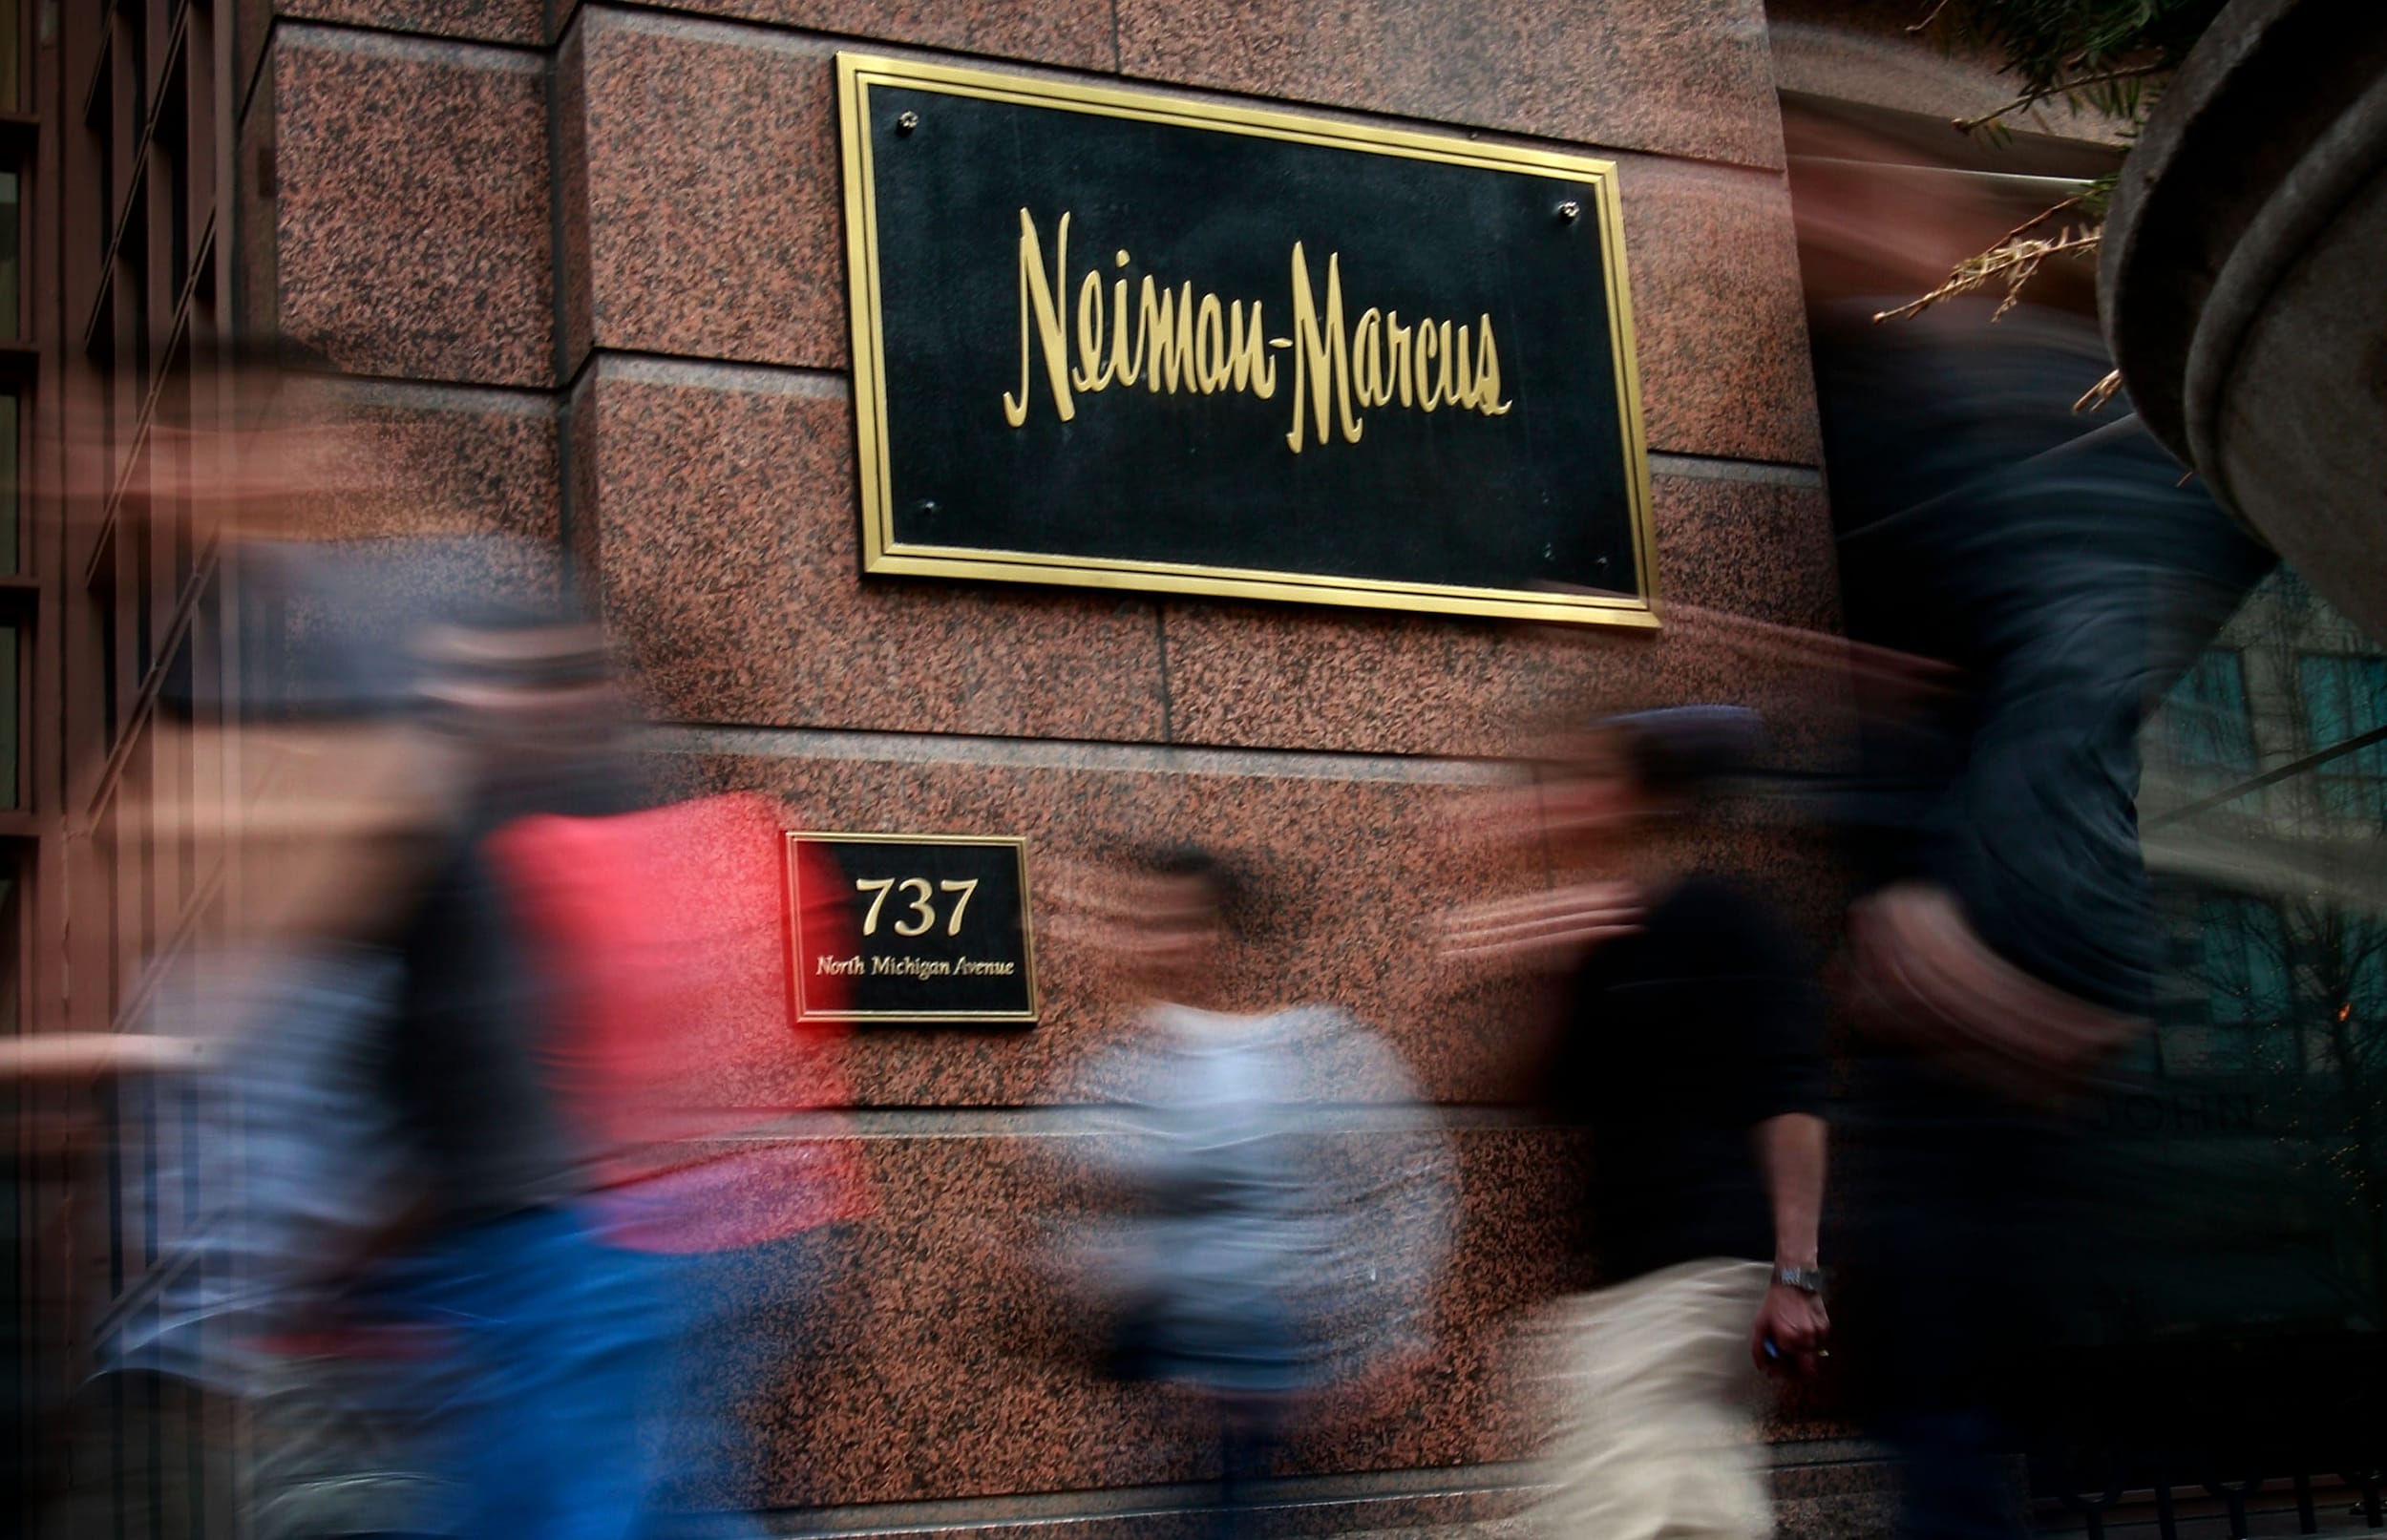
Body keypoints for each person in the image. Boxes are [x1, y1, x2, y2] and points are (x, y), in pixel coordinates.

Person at [1450, 707, 1828, 1540]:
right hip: (1629, 1285)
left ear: (1637, 795)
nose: (1556, 802)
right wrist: (1540, 967)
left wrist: (1796, 1276)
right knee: (1701, 1510)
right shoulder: (1601, 939)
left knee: (1596, 1504)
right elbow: (1537, 1088)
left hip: (1695, 1279)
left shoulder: (1725, 917)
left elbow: (1791, 1100)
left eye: (1584, 779)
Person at [1080, 845, 1453, 1540]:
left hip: (1268, 1371)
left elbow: (1412, 1177)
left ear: (1218, 935)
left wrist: (1389, 1331)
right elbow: (1102, 1213)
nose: (1145, 941)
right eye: (1133, 920)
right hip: (1165, 1376)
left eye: (1167, 921)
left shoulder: (1315, 1048)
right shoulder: (1123, 1061)